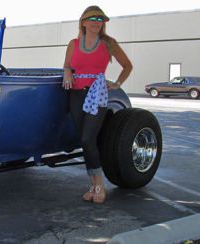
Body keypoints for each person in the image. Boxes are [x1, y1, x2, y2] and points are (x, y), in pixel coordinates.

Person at [62, 6, 132, 203]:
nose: (96, 21)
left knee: (87, 138)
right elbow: (68, 66)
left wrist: (117, 83)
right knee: (85, 141)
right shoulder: (73, 44)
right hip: (76, 94)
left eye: (100, 19)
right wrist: (67, 73)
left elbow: (127, 65)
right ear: (83, 22)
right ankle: (92, 186)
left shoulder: (108, 44)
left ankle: (99, 185)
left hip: (97, 93)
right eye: (92, 18)